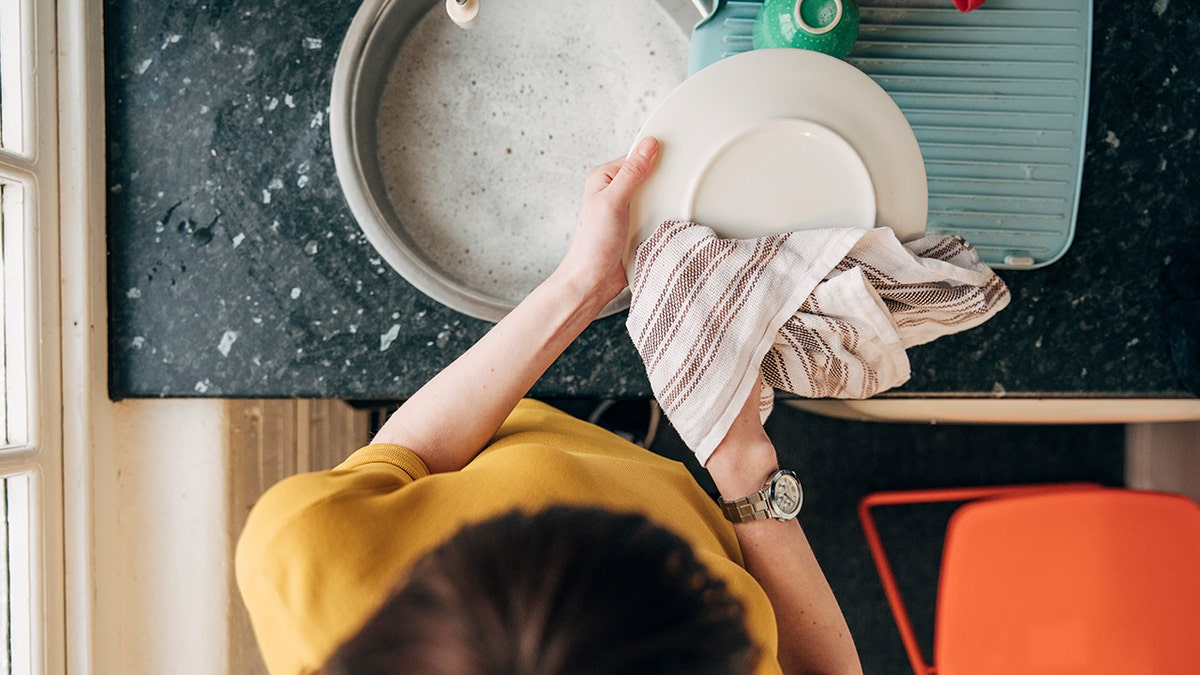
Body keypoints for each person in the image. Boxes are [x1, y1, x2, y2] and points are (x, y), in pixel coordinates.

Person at [235, 136, 863, 675]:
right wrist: (743, 465)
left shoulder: (299, 554)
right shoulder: (679, 647)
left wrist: (582, 284)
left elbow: (413, 456)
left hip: (528, 435)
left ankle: (605, 437)